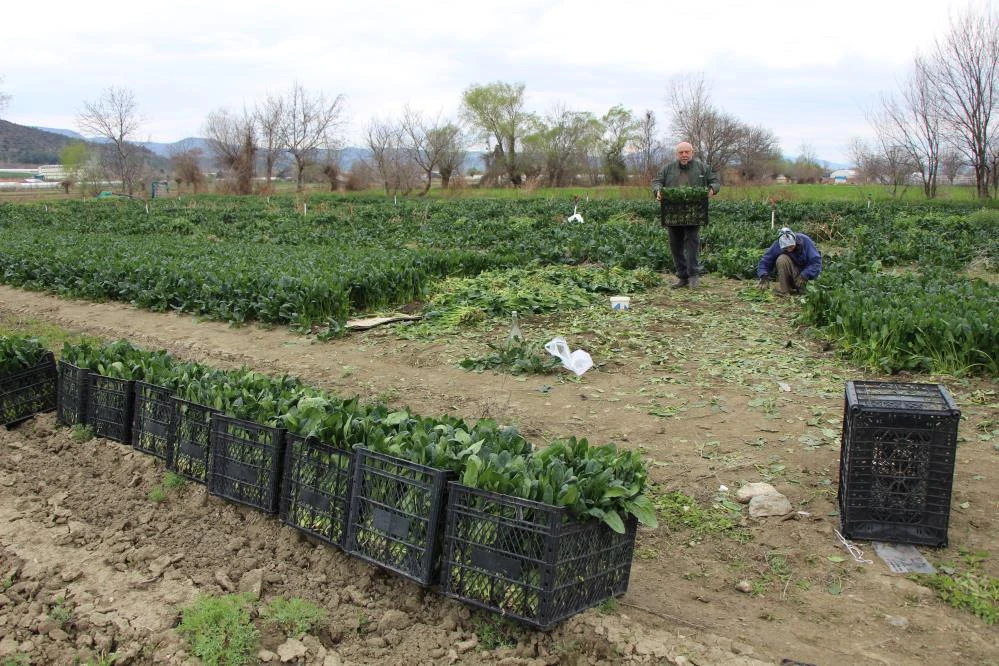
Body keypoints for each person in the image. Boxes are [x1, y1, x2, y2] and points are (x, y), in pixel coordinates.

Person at [651, 142, 720, 289]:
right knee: (675, 245)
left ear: (692, 153)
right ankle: (682, 276)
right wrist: (657, 191)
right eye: (681, 152)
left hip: (694, 212)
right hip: (672, 213)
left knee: (692, 243)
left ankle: (694, 276)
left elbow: (715, 181)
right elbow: (657, 182)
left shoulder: (702, 168)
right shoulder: (668, 169)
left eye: (686, 152)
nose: (684, 155)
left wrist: (712, 190)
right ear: (677, 154)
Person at [756, 227, 822, 295]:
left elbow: (816, 262)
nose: (789, 249)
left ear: (795, 241)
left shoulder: (805, 240)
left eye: (791, 246)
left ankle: (801, 288)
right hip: (793, 272)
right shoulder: (778, 244)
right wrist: (763, 276)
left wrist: (805, 275)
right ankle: (786, 291)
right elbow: (766, 260)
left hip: (807, 275)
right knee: (782, 259)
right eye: (786, 248)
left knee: (806, 293)